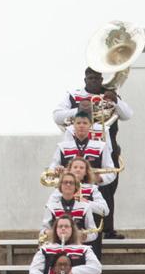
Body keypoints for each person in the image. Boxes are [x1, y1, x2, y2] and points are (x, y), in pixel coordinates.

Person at [52, 68, 131, 239]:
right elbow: (57, 116)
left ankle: (107, 230)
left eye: (98, 78)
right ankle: (78, 228)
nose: (94, 81)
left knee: (107, 190)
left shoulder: (108, 94)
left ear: (102, 79)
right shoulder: (73, 95)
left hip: (106, 148)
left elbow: (127, 115)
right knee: (78, 191)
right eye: (91, 78)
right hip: (78, 151)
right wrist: (80, 110)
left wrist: (115, 100)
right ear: (85, 79)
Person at [27, 216, 101, 274]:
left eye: (67, 226)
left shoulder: (85, 249)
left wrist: (72, 272)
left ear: (72, 229)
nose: (63, 228)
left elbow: (96, 269)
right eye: (60, 226)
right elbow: (34, 272)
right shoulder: (45, 249)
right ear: (55, 230)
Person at [50, 110, 116, 186]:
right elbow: (52, 168)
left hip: (93, 191)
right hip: (67, 190)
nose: (81, 125)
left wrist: (99, 178)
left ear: (90, 126)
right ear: (73, 126)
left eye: (85, 123)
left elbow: (111, 171)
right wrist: (57, 170)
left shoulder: (101, 146)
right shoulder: (62, 147)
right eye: (78, 123)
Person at [62, 156, 111, 257]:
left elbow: (105, 210)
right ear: (69, 170)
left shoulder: (92, 189)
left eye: (81, 168)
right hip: (63, 235)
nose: (78, 169)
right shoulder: (60, 188)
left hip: (86, 235)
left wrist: (86, 202)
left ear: (86, 172)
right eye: (75, 167)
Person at [41, 173, 99, 248]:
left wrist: (85, 236)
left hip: (78, 248)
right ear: (60, 186)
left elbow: (94, 232)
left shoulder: (85, 207)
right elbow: (43, 230)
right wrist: (50, 233)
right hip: (55, 248)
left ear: (76, 187)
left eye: (71, 183)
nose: (68, 185)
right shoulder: (51, 207)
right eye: (65, 182)